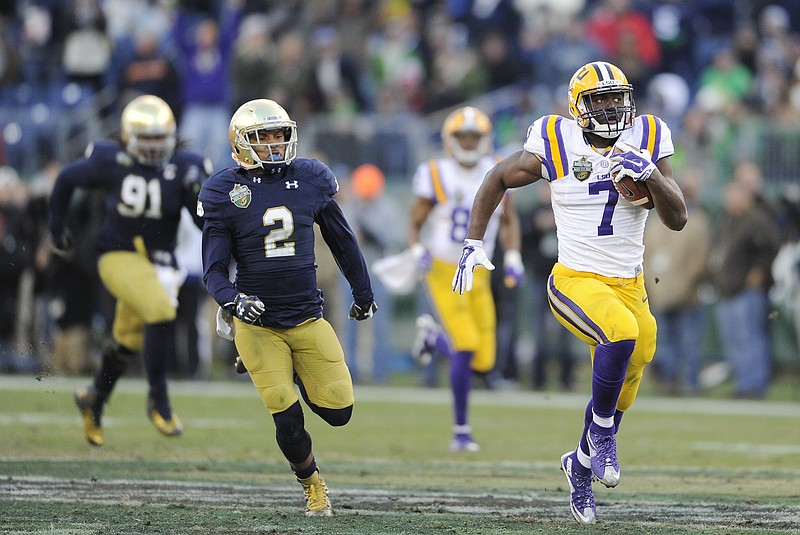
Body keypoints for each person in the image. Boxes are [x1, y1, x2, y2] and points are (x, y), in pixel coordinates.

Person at [452, 61, 687, 524]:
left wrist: (652, 175)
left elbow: (677, 218)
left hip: (630, 282)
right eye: (600, 99)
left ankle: (579, 463)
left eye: (617, 98)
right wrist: (474, 241)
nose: (612, 107)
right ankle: (602, 436)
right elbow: (498, 176)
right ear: (580, 106)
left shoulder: (650, 135)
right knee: (618, 334)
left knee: (641, 348)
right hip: (575, 279)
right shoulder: (557, 138)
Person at [198, 99, 376, 517]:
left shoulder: (311, 179)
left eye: (280, 135)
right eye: (264, 137)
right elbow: (213, 271)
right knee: (287, 416)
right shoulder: (226, 191)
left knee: (339, 412)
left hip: (306, 315)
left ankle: (291, 366)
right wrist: (234, 301)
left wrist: (363, 293)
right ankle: (313, 485)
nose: (275, 145)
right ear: (242, 144)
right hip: (257, 322)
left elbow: (342, 240)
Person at [48, 94, 212, 446]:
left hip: (159, 264)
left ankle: (94, 398)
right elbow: (65, 179)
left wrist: (198, 197)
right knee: (161, 309)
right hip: (117, 256)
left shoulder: (186, 165)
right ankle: (159, 401)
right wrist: (56, 228)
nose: (153, 148)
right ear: (128, 139)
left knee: (127, 341)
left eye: (159, 140)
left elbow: (202, 223)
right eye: (146, 140)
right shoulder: (111, 159)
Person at [407, 106, 524, 452]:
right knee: (467, 345)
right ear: (450, 139)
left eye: (475, 136)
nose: (470, 142)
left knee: (485, 359)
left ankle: (432, 337)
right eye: (464, 136)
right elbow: (414, 223)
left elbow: (508, 220)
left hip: (480, 271)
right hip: (446, 268)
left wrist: (513, 256)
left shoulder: (497, 168)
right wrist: (416, 250)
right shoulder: (436, 173)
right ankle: (461, 431)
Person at [643, 170, 711, 395]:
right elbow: (646, 256)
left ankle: (691, 383)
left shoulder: (698, 222)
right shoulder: (655, 222)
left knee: (689, 342)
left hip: (687, 295)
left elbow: (698, 260)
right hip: (661, 292)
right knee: (664, 342)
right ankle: (669, 382)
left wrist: (683, 286)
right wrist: (655, 287)